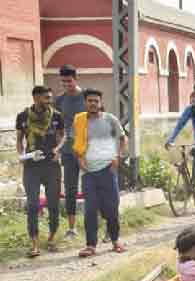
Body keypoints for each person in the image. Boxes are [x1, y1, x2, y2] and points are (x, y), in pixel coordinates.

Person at [72, 88, 126, 258]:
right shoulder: (80, 120)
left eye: (96, 101)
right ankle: (90, 245)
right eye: (90, 101)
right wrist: (80, 159)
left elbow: (122, 138)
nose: (93, 104)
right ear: (85, 103)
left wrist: (119, 156)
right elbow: (77, 143)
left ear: (101, 103)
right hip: (88, 172)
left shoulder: (110, 120)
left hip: (107, 170)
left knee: (111, 208)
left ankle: (116, 240)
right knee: (90, 209)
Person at [16, 85, 65, 258]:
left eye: (50, 97)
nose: (49, 101)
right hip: (31, 167)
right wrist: (22, 156)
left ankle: (51, 238)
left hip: (52, 166)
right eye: (46, 98)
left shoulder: (56, 116)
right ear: (36, 98)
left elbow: (62, 136)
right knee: (33, 205)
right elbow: (20, 140)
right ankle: (34, 244)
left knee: (53, 204)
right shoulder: (23, 116)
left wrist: (57, 150)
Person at [54, 65, 85, 238]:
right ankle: (72, 228)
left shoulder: (86, 97)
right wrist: (58, 147)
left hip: (87, 151)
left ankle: (99, 223)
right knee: (70, 188)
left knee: (93, 187)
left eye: (69, 81)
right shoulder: (59, 100)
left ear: (76, 79)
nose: (66, 85)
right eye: (63, 82)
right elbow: (57, 126)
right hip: (67, 151)